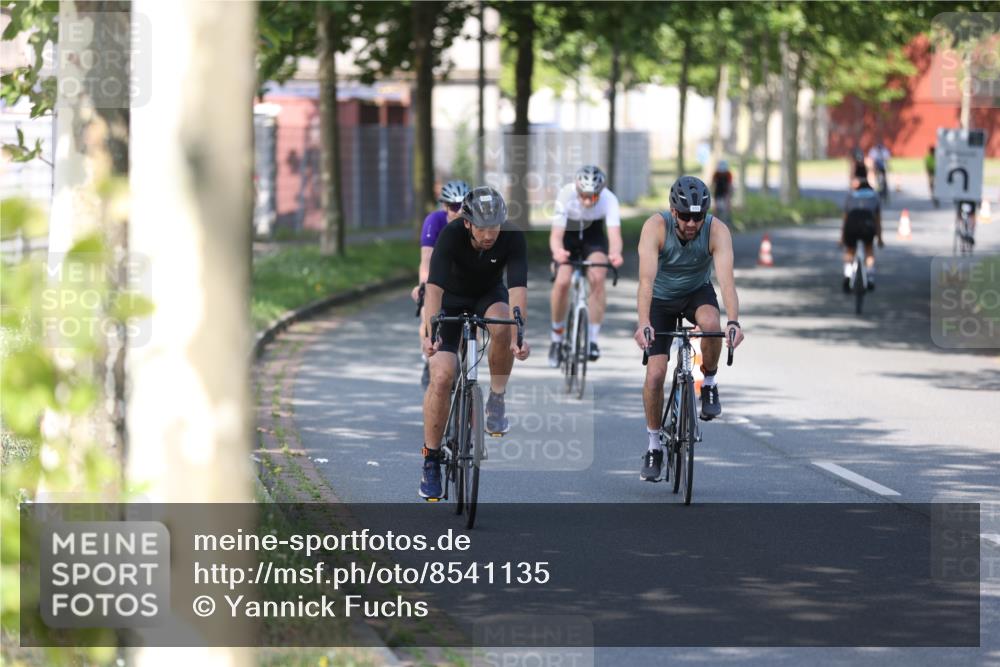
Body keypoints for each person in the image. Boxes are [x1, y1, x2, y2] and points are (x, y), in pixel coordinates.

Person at [419, 186, 531, 500]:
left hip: (488, 296)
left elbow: (518, 290)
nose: (488, 234)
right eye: (481, 227)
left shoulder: (512, 237)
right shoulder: (451, 235)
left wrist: (519, 335)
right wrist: (431, 332)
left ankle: (496, 397)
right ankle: (431, 458)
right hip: (451, 300)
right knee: (442, 374)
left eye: (493, 226)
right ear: (468, 223)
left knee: (503, 325)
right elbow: (434, 289)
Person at [633, 176, 744, 482]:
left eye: (698, 216)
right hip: (661, 300)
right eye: (685, 216)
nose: (692, 223)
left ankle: (708, 382)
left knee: (711, 324)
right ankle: (654, 445)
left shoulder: (717, 230)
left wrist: (733, 321)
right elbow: (645, 282)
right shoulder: (655, 228)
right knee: (655, 373)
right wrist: (644, 323)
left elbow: (726, 282)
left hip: (696, 292)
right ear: (672, 211)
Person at [548, 165, 624, 367]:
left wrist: (615, 253)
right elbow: (556, 236)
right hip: (568, 236)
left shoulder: (609, 199)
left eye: (593, 196)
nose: (588, 200)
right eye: (584, 195)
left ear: (601, 192)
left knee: (598, 276)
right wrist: (558, 252)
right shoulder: (565, 194)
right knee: (562, 281)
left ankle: (592, 339)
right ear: (576, 188)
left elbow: (614, 236)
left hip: (593, 236)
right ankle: (556, 339)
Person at [412, 180, 470, 388]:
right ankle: (428, 362)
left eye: (464, 205)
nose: (459, 211)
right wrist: (423, 285)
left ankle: (468, 372)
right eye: (454, 207)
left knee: (472, 327)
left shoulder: (473, 224)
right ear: (445, 207)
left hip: (464, 280)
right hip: (439, 278)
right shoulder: (434, 221)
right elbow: (426, 259)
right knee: (428, 318)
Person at [841, 173, 883, 292]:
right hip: (868, 225)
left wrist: (842, 238)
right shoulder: (875, 196)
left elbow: (845, 219)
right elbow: (878, 220)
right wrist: (879, 238)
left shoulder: (850, 195)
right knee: (869, 250)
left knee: (850, 250)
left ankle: (848, 275)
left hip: (852, 225)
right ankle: (869, 277)